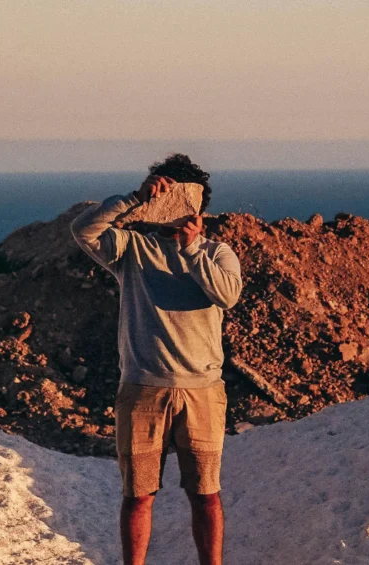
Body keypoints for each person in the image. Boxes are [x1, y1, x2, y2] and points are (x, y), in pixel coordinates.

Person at [70, 154, 242, 565]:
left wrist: (192, 248)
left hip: (202, 391)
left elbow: (228, 295)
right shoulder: (132, 246)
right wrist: (132, 200)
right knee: (138, 496)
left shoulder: (218, 252)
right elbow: (83, 230)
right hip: (143, 388)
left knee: (206, 495)